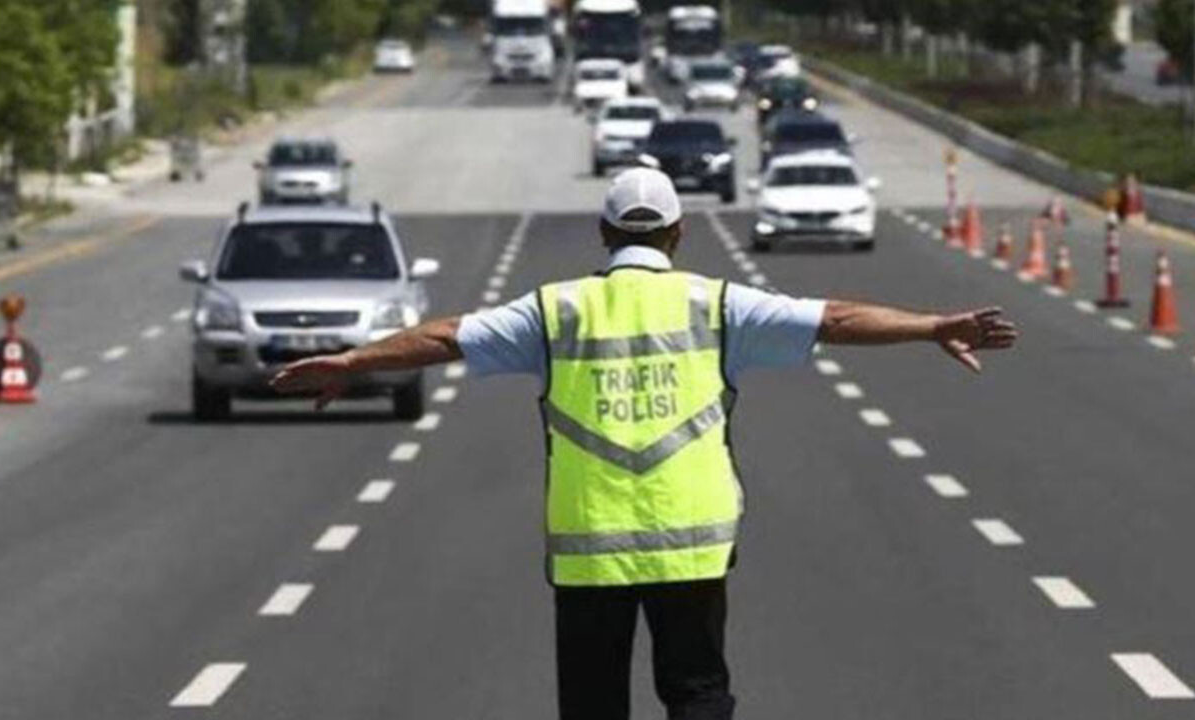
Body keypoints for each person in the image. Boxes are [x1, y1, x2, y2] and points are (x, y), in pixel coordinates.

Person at [270, 168, 1018, 720]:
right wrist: (932, 327)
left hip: (590, 542)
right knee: (697, 690)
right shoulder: (717, 303)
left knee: (594, 703)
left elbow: (444, 337)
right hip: (690, 541)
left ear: (603, 235)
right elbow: (836, 318)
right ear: (676, 235)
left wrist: (353, 360)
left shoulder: (556, 310)